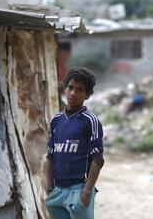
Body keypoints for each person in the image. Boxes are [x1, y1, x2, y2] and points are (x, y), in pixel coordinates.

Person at [44, 67, 104, 219]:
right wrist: (49, 187)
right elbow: (50, 156)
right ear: (65, 88)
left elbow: (97, 159)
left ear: (87, 95)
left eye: (79, 90)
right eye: (70, 87)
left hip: (79, 190)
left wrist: (87, 191)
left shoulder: (90, 121)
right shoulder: (56, 120)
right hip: (57, 190)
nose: (73, 93)